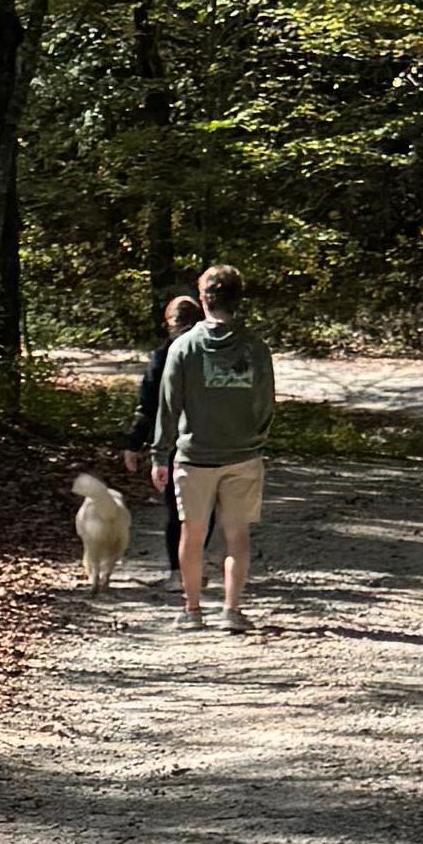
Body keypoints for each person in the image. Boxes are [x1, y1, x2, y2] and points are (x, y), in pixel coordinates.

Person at [152, 263, 276, 631]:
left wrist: (160, 454)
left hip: (195, 457)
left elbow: (168, 405)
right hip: (243, 456)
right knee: (236, 535)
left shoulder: (183, 347)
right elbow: (266, 402)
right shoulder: (255, 347)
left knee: (192, 535)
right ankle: (232, 611)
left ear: (203, 299)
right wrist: (256, 437)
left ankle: (192, 611)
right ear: (238, 299)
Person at [127, 288, 197, 569]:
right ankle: (190, 564)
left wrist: (134, 443)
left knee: (176, 508)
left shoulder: (161, 357)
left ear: (169, 323)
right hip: (204, 439)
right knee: (202, 511)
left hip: (170, 441)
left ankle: (178, 570)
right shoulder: (208, 354)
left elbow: (147, 406)